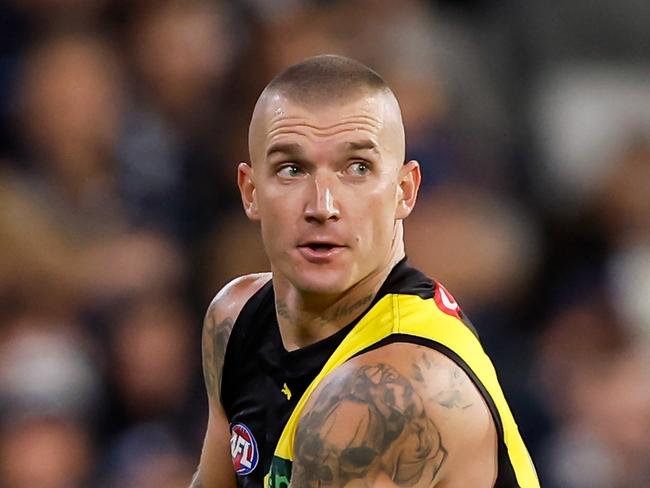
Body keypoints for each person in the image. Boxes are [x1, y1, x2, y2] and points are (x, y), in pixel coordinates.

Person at [190, 55, 539, 488]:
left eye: (357, 169)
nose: (323, 206)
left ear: (404, 191)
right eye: (291, 169)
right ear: (251, 192)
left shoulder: (387, 392)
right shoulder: (234, 319)